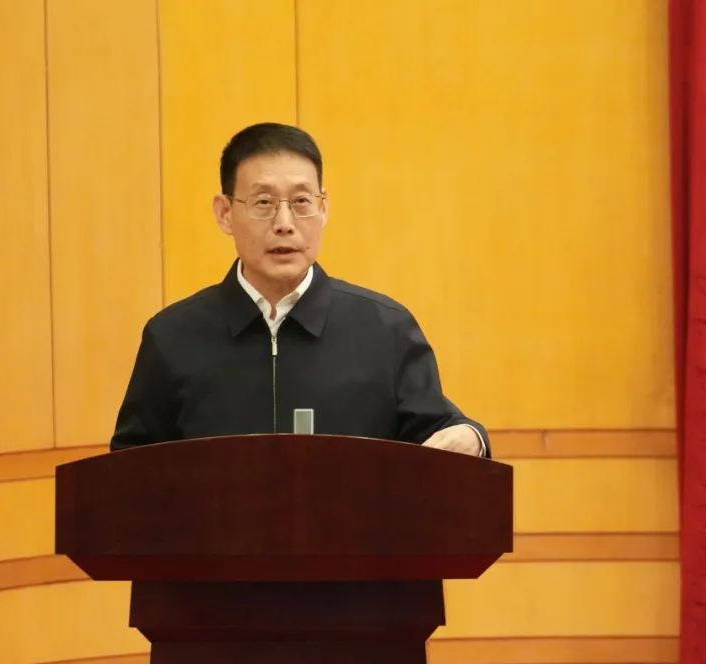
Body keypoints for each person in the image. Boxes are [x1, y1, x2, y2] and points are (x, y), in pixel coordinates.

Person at [109, 122, 490, 457]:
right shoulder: (173, 336)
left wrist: (471, 436)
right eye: (263, 202)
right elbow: (130, 471)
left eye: (302, 202)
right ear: (225, 213)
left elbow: (441, 432)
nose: (284, 223)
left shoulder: (384, 329)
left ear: (323, 209)